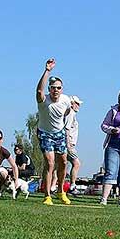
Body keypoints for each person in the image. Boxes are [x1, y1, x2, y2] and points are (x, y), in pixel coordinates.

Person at [36, 58, 71, 205]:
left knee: (63, 162)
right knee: (50, 163)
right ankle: (47, 195)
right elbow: (39, 90)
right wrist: (47, 71)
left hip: (59, 133)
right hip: (45, 133)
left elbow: (68, 112)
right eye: (53, 87)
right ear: (49, 89)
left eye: (58, 88)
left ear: (62, 89)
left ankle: (60, 191)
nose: (55, 90)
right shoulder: (43, 100)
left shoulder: (66, 100)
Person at [65, 95, 84, 196]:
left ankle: (53, 186)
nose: (78, 106)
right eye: (77, 104)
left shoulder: (70, 114)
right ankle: (72, 186)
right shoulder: (70, 114)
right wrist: (68, 144)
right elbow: (67, 128)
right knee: (76, 163)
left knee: (59, 165)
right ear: (72, 104)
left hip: (67, 143)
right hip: (68, 144)